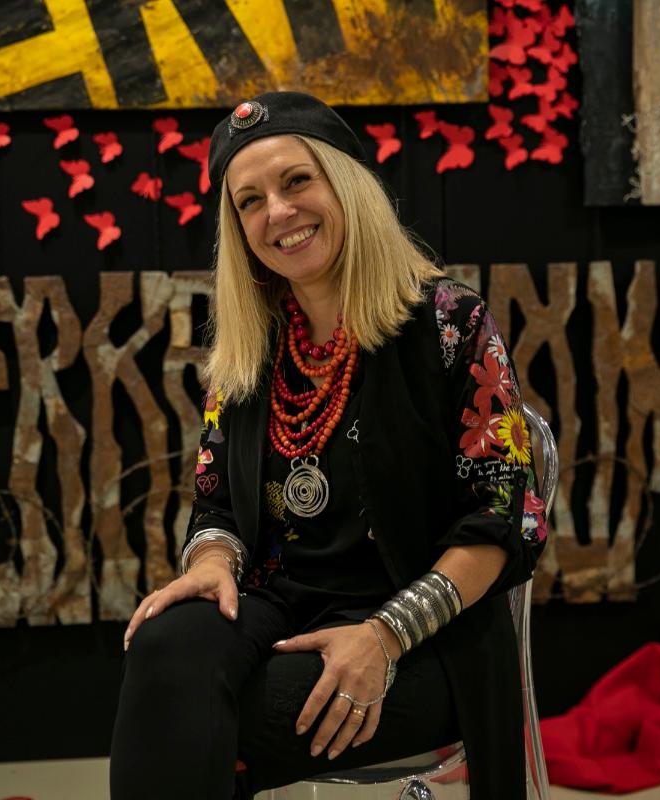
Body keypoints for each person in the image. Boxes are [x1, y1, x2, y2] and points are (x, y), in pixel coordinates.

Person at [109, 91, 548, 799]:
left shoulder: (450, 321)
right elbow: (215, 503)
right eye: (250, 201)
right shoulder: (252, 346)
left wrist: (383, 635)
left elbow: (502, 522)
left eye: (296, 181)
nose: (278, 212)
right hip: (281, 606)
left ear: (346, 184)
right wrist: (213, 562)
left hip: (426, 634)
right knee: (163, 649)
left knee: (187, 717)